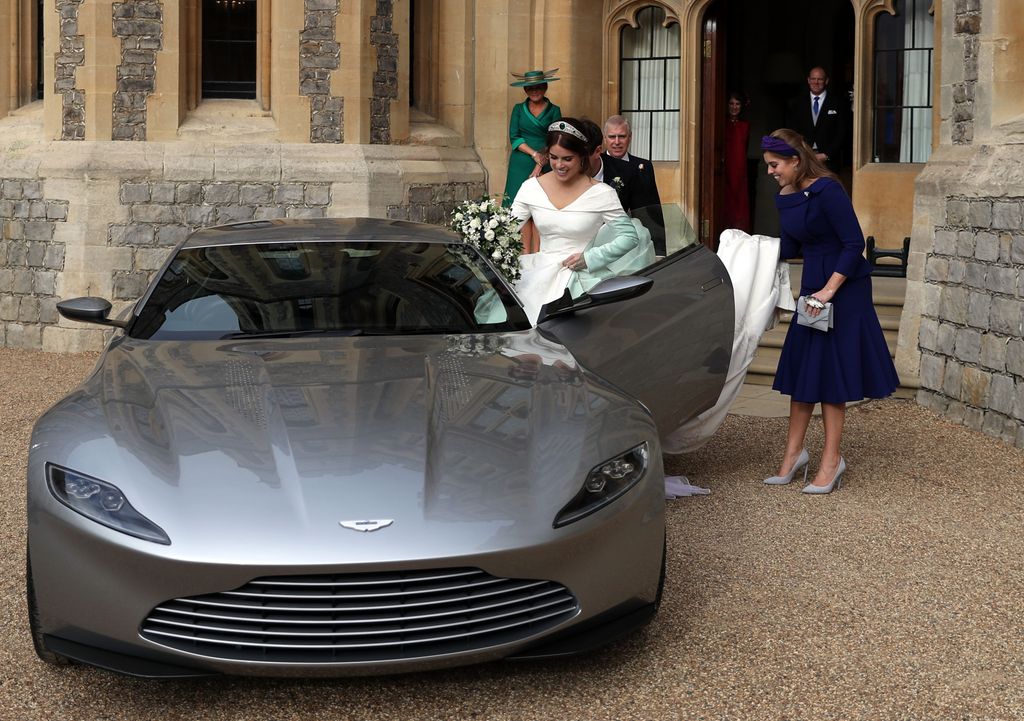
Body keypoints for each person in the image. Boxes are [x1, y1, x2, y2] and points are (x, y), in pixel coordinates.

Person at [760, 128, 898, 494]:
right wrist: (749, 253)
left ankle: (832, 461)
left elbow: (854, 244)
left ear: (794, 159)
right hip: (813, 288)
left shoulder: (828, 190)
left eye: (775, 165)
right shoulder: (785, 194)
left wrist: (828, 290)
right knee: (806, 369)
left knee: (830, 376)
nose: (771, 171)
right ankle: (793, 455)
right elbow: (790, 245)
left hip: (843, 287)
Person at [510, 118, 652, 324]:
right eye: (553, 157)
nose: (559, 165)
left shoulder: (602, 193)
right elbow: (506, 231)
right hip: (537, 271)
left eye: (567, 159)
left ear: (582, 156)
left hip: (582, 276)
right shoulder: (530, 188)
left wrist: (590, 258)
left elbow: (629, 237)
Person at [601, 115, 666, 254]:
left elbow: (651, 211)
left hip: (632, 242)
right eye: (612, 137)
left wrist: (659, 251)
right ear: (605, 138)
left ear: (630, 137)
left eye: (622, 136)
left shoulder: (643, 167)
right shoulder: (597, 164)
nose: (617, 142)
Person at [502, 69, 562, 208]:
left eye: (538, 87)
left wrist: (540, 162)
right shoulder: (518, 109)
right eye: (530, 88)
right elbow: (514, 137)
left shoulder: (554, 110)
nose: (534, 91)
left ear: (545, 87)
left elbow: (555, 139)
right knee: (515, 201)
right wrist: (534, 154)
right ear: (525, 89)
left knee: (542, 202)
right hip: (520, 161)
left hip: (546, 160)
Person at [784, 67, 847, 174]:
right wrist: (801, 153)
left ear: (826, 81)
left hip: (829, 160)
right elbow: (792, 131)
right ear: (808, 80)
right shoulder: (796, 103)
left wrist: (827, 154)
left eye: (820, 79)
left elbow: (842, 132)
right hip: (803, 158)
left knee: (827, 190)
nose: (816, 82)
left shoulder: (838, 102)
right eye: (813, 79)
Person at [723, 90, 751, 232]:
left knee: (740, 201)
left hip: (740, 168)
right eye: (731, 103)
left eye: (737, 104)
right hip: (725, 167)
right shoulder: (721, 124)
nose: (734, 107)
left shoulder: (745, 125)